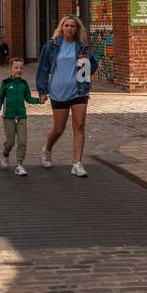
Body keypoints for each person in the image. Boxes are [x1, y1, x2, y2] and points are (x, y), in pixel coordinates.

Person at [35, 15, 99, 178]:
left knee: (79, 126)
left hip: (79, 90)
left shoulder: (83, 47)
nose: (70, 28)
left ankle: (77, 164)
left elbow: (93, 67)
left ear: (77, 29)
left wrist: (87, 62)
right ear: (61, 28)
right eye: (67, 25)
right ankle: (47, 149)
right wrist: (42, 91)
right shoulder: (52, 45)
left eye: (73, 26)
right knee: (59, 128)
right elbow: (43, 68)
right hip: (58, 91)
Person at [0, 56, 41, 176]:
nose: (19, 70)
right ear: (10, 69)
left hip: (21, 117)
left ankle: (19, 165)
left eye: (21, 68)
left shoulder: (24, 84)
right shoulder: (5, 83)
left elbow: (28, 98)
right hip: (8, 116)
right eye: (16, 67)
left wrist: (39, 100)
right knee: (10, 142)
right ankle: (5, 154)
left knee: (22, 141)